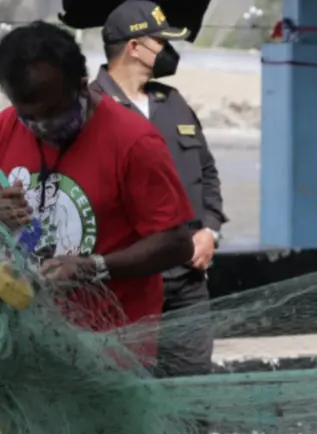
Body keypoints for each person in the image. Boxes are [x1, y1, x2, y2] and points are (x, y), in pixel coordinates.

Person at [0, 21, 194, 366]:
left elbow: (177, 243)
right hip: (22, 345)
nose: (42, 126)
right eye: (29, 117)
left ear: (81, 85)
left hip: (113, 350)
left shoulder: (134, 142)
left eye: (54, 112)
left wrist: (93, 266)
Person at [92, 0, 226, 378]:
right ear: (134, 47)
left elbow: (208, 173)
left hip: (186, 287)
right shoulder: (90, 111)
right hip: (125, 290)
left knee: (192, 395)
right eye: (160, 42)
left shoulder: (173, 103)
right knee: (126, 396)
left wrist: (209, 231)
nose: (168, 51)